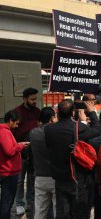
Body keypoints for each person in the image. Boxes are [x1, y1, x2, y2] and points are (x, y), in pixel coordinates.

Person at [44, 99, 101, 219]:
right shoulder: (79, 127)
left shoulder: (49, 129)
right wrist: (92, 113)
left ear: (57, 112)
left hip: (59, 176)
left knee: (63, 212)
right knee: (80, 212)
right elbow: (97, 130)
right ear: (73, 113)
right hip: (78, 177)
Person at [12, 87, 40, 216]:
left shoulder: (37, 112)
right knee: (19, 179)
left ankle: (30, 203)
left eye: (35, 99)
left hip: (34, 152)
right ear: (24, 99)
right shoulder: (16, 112)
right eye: (32, 99)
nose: (34, 101)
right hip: (20, 151)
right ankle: (19, 203)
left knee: (31, 179)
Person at [0, 110, 29, 219]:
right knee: (6, 201)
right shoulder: (5, 132)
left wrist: (17, 145)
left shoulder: (4, 131)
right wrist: (20, 146)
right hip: (8, 172)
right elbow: (9, 151)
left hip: (6, 170)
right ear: (11, 121)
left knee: (5, 201)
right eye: (16, 123)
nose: (17, 126)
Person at [30, 107, 58, 219]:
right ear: (52, 118)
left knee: (40, 211)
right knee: (57, 210)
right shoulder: (56, 132)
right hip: (55, 176)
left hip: (40, 176)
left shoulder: (33, 133)